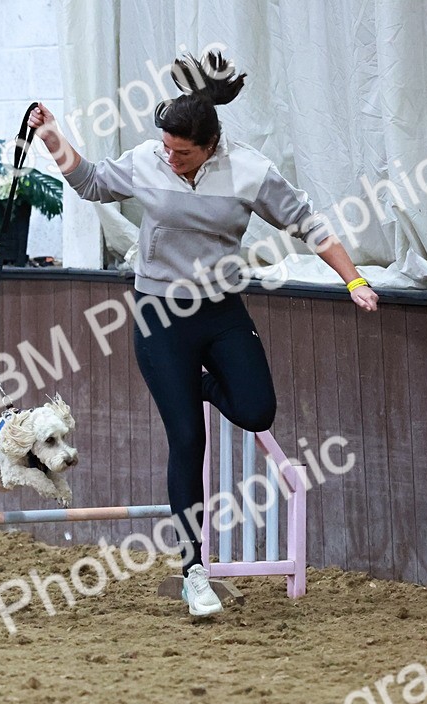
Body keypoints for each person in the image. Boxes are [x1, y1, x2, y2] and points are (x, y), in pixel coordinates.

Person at [29, 50, 380, 617]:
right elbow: (93, 183)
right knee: (188, 439)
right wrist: (51, 136)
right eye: (165, 147)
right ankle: (195, 569)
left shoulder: (250, 170)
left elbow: (307, 222)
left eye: (182, 151)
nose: (169, 158)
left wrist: (354, 279)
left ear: (210, 146)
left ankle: (189, 381)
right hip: (158, 315)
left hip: (220, 311)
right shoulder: (148, 159)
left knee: (258, 410)